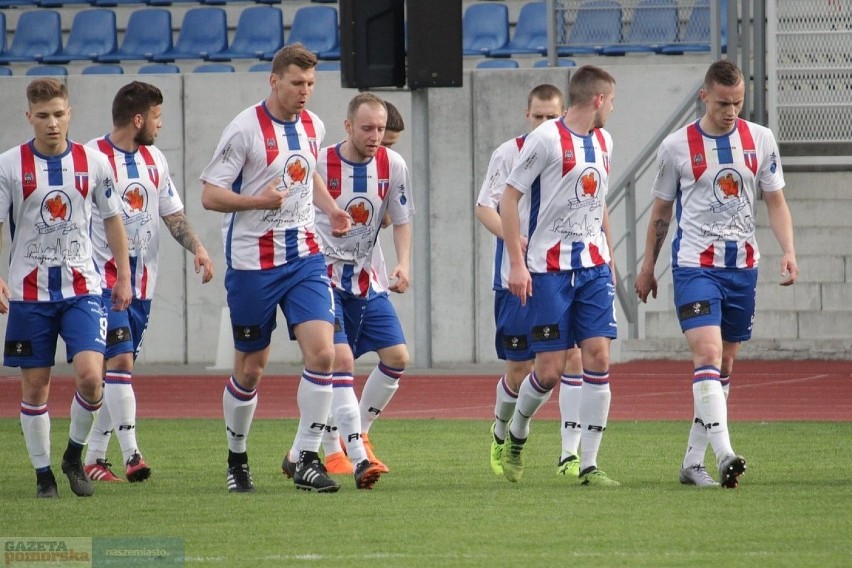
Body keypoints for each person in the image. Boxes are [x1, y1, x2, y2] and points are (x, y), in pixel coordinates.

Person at [634, 59, 797, 489]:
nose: (731, 111)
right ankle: (725, 453)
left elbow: (776, 202)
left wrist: (788, 251)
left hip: (742, 266)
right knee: (706, 354)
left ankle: (692, 462)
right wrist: (648, 265)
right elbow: (661, 212)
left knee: (724, 363)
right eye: (723, 103)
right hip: (694, 265)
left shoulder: (760, 139)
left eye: (738, 102)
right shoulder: (675, 147)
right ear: (704, 96)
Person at [200, 44, 352, 494]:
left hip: (304, 255)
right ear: (274, 80)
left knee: (324, 353)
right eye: (296, 83)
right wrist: (258, 201)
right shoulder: (244, 129)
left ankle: (305, 457)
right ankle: (237, 457)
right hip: (252, 265)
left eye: (310, 84)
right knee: (251, 368)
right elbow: (211, 194)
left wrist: (331, 208)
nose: (305, 92)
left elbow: (307, 173)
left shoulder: (313, 125)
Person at [0, 78, 132, 498]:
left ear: (69, 113)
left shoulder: (94, 163)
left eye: (58, 114)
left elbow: (113, 219)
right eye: (43, 116)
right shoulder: (8, 165)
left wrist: (124, 275)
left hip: (83, 290)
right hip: (29, 294)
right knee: (35, 386)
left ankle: (73, 455)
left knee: (93, 379)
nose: (52, 123)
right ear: (29, 117)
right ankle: (43, 476)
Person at [82, 81, 214, 484]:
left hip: (143, 285)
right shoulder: (91, 158)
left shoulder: (155, 159)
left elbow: (171, 214)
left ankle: (94, 458)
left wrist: (199, 248)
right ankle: (132, 454)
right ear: (138, 119)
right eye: (157, 117)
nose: (160, 125)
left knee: (119, 372)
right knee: (119, 362)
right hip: (100, 280)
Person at [499, 65, 620, 486]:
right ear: (599, 100)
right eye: (612, 101)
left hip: (592, 268)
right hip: (548, 271)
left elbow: (598, 202)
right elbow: (508, 199)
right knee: (548, 370)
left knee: (598, 357)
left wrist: (611, 258)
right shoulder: (546, 139)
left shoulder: (604, 141)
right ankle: (516, 433)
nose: (612, 110)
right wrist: (517, 263)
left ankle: (588, 463)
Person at [288, 93, 414, 487]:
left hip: (364, 278)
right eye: (367, 128)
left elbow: (403, 218)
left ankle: (307, 450)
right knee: (341, 360)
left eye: (380, 129)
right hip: (319, 277)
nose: (376, 136)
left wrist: (403, 262)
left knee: (397, 357)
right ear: (347, 127)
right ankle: (354, 453)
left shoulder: (393, 165)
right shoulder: (319, 162)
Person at [476, 84, 593, 480]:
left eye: (551, 116)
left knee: (573, 358)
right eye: (538, 115)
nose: (544, 122)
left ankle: (569, 455)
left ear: (563, 113)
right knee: (520, 367)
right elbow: (485, 207)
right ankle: (500, 431)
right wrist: (515, 242)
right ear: (527, 115)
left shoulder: (576, 149)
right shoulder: (508, 153)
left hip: (561, 272)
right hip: (515, 275)